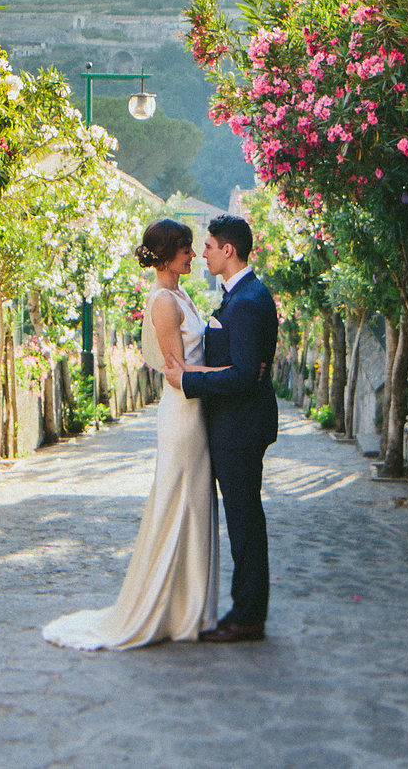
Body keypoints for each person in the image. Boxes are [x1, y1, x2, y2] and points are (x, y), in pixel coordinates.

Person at [43, 218, 222, 650]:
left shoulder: (181, 294)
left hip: (197, 413)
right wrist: (229, 373)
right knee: (177, 503)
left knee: (196, 506)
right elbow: (177, 371)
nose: (194, 256)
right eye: (185, 250)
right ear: (165, 255)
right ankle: (168, 608)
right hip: (182, 414)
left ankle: (189, 607)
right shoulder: (163, 301)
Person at [164, 212, 278, 643]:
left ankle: (248, 615)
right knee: (245, 518)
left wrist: (189, 380)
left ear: (228, 250)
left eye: (209, 246)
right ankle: (246, 608)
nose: (203, 253)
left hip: (240, 429)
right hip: (235, 426)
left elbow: (246, 374)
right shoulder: (242, 296)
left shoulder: (248, 301)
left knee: (245, 521)